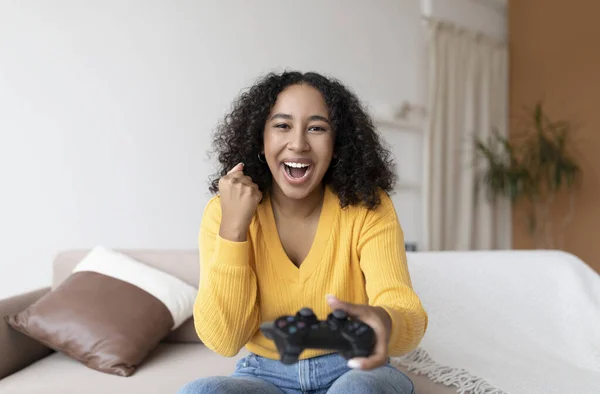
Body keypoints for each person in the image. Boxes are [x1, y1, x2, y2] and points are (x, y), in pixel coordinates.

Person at [178, 71, 428, 394]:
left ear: (337, 144)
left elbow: (408, 313)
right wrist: (234, 228)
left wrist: (383, 320)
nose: (298, 144)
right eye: (282, 125)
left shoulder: (368, 207)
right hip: (264, 375)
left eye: (317, 128)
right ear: (261, 139)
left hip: (354, 368)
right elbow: (224, 340)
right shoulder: (223, 212)